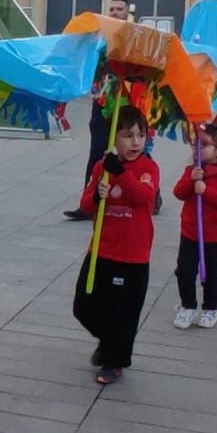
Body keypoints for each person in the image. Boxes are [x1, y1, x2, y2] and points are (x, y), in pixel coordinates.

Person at [73, 106, 159, 386]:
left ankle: (114, 359)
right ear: (113, 137)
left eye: (140, 135)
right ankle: (110, 340)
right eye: (126, 135)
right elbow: (85, 205)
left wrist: (120, 172)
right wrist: (98, 196)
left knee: (124, 312)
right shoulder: (102, 167)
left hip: (132, 255)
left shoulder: (148, 167)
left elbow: (142, 196)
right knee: (84, 306)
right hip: (101, 250)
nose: (135, 142)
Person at [64, 0, 132, 220]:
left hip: (127, 102)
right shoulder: (98, 36)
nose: (114, 12)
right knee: (97, 152)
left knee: (133, 151)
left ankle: (150, 196)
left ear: (127, 12)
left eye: (119, 9)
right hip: (102, 101)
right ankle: (88, 203)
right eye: (111, 8)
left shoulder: (134, 37)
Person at [173, 124, 217, 330]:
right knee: (184, 271)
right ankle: (187, 305)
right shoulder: (192, 170)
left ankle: (211, 307)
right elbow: (179, 192)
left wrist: (206, 191)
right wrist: (191, 181)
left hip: (215, 236)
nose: (197, 148)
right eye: (196, 143)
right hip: (190, 233)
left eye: (204, 144)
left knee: (212, 275)